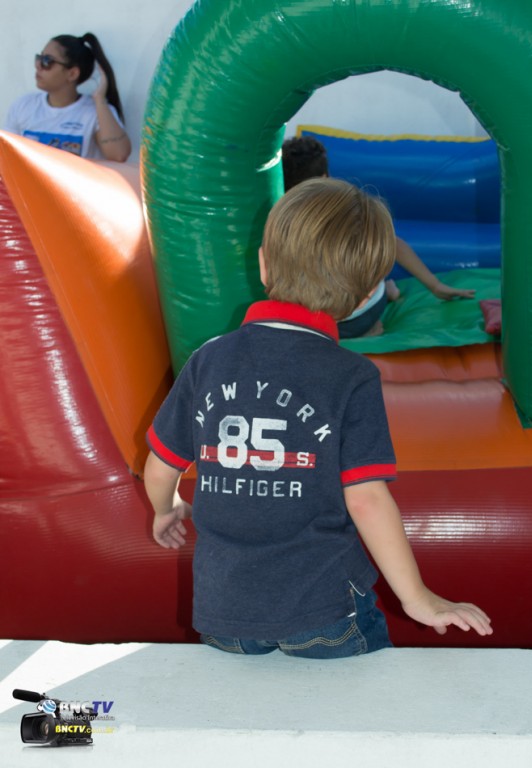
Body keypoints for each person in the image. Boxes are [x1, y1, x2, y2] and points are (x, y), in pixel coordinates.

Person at [144, 177, 492, 659]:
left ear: (263, 263)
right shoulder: (351, 376)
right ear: (368, 294)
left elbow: (161, 466)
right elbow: (366, 499)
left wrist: (167, 510)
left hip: (225, 610)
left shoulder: (209, 359)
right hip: (325, 607)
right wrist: (417, 599)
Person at [282, 135, 476, 338]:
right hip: (366, 314)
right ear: (325, 176)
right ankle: (379, 307)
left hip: (323, 325)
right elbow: (393, 245)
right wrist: (435, 286)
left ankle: (373, 311)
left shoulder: (283, 219)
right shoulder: (345, 206)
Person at [4, 33, 131, 162]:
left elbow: (119, 155)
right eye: (39, 58)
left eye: (47, 61)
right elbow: (6, 155)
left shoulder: (96, 111)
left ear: (72, 74)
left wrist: (100, 100)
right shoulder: (23, 106)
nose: (38, 66)